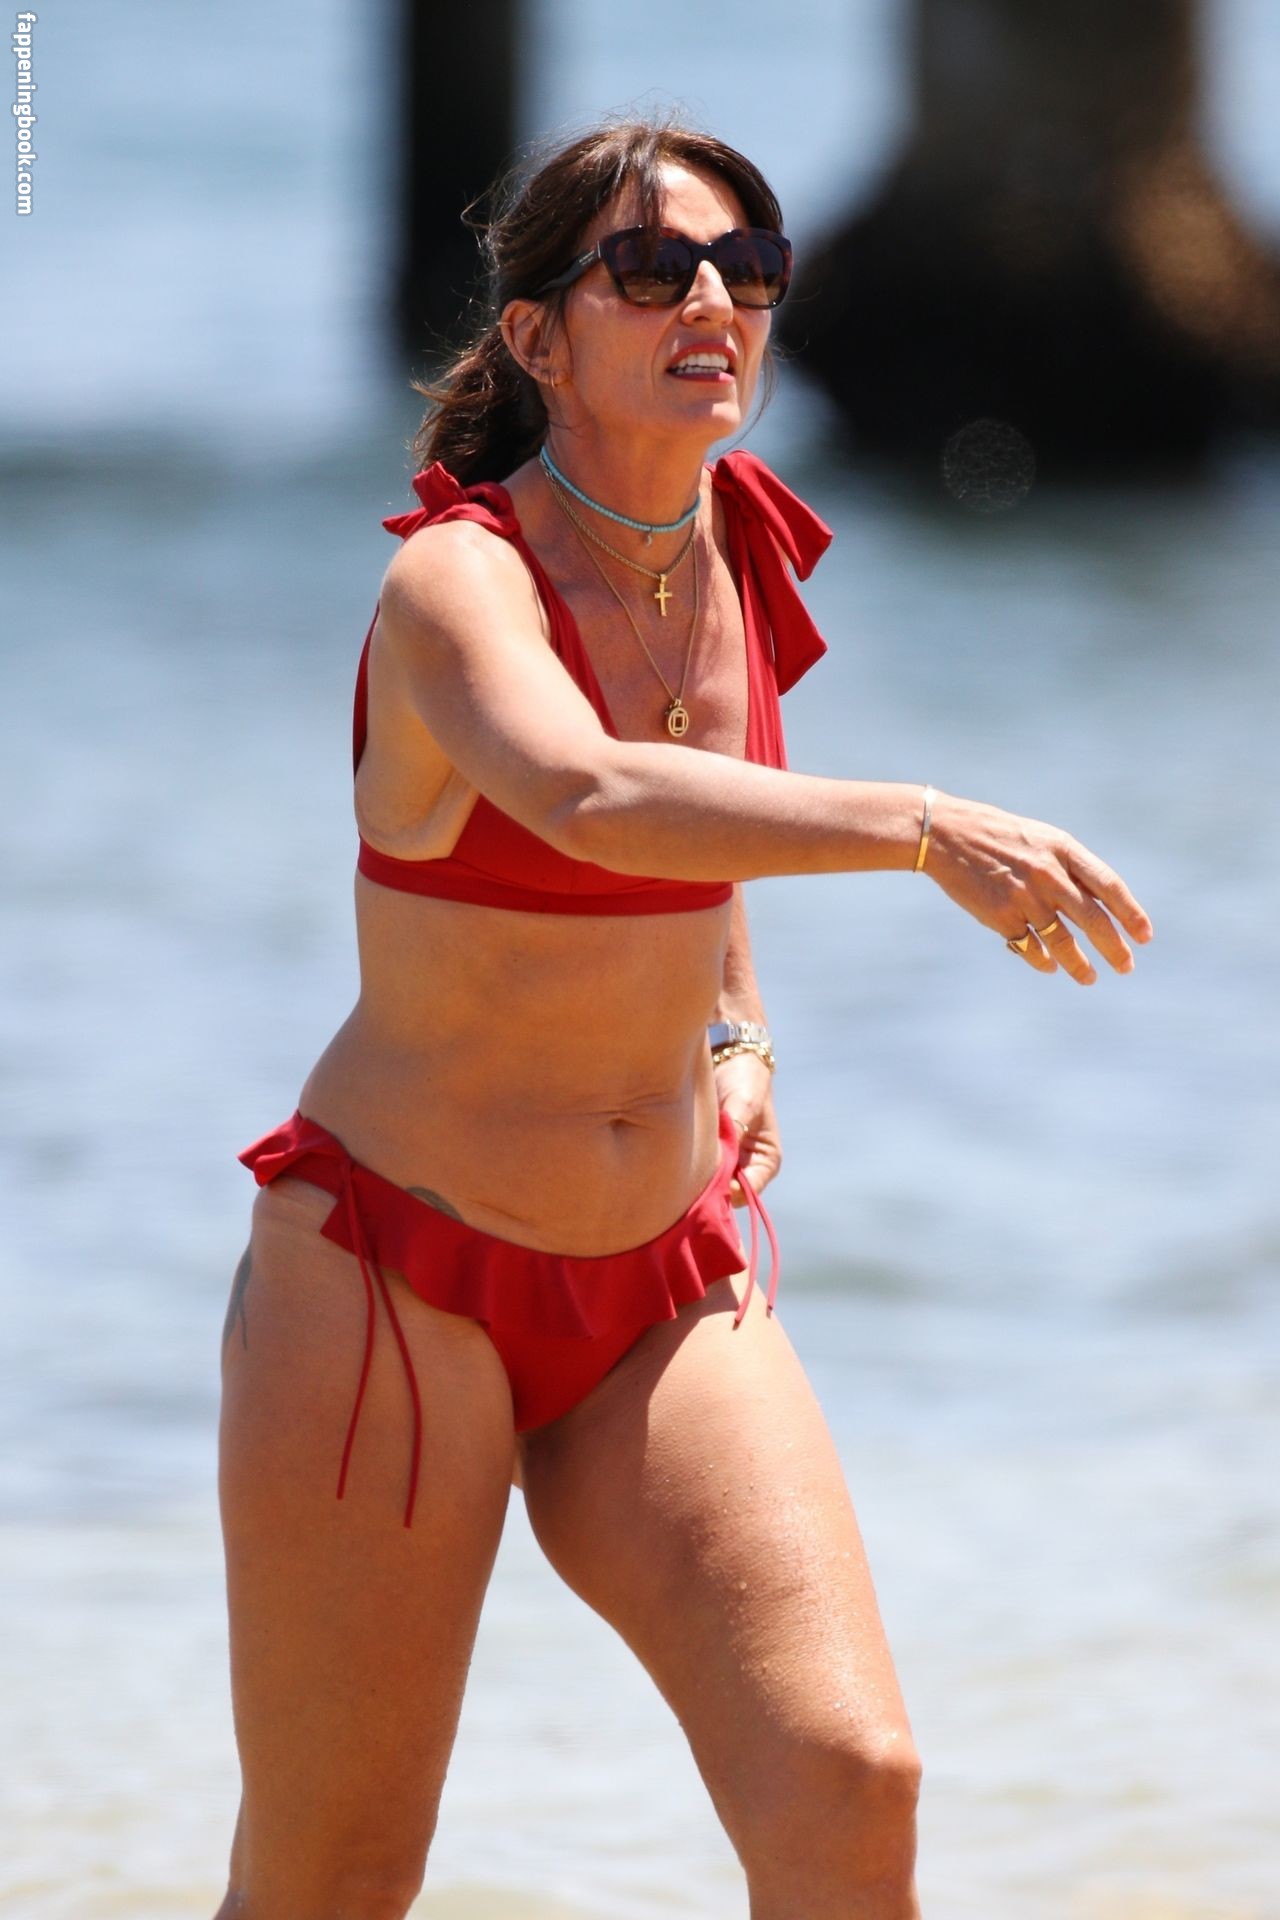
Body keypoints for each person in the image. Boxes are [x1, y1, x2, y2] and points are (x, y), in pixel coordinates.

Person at [215, 117, 1152, 1920]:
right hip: (397, 1277)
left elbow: (702, 824)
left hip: (663, 1270)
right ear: (538, 337)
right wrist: (922, 825)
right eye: (652, 270)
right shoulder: (457, 583)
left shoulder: (730, 541)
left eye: (748, 267)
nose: (712, 301)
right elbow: (589, 796)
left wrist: (738, 1032)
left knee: (850, 1780)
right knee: (336, 1876)